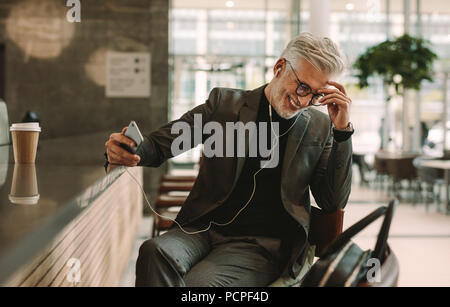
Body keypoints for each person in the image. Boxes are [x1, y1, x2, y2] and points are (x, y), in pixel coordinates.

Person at [104, 32, 354, 287]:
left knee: (199, 286)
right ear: (279, 67)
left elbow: (332, 200)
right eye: (302, 87)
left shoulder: (320, 127)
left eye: (314, 96)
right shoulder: (225, 106)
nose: (303, 101)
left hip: (259, 245)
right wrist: (131, 149)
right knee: (153, 252)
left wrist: (343, 132)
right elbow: (162, 144)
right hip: (200, 230)